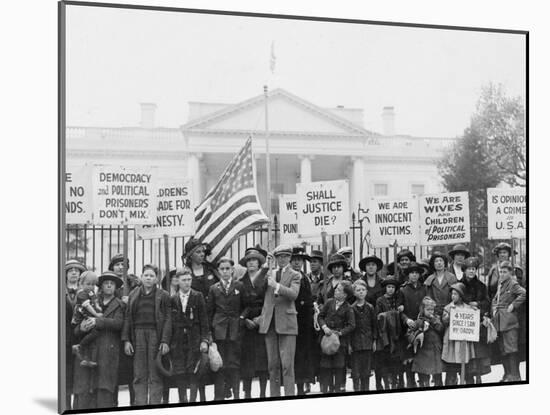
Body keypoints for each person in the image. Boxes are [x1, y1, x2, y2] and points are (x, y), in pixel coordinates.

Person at [72, 272, 125, 409]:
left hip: (107, 353)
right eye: (106, 283)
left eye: (112, 283)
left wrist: (98, 321)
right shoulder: (90, 301)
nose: (108, 285)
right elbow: (76, 328)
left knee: (104, 391)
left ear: (116, 288)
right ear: (100, 286)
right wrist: (81, 328)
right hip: (88, 353)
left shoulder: (119, 305)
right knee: (84, 392)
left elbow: (119, 324)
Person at [122, 264, 172, 405]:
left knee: (155, 373)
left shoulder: (163, 295)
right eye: (146, 275)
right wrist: (126, 340)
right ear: (142, 277)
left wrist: (165, 341)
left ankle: (154, 404)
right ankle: (140, 404)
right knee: (139, 373)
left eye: (152, 276)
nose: (148, 278)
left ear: (156, 279)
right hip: (137, 335)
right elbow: (127, 317)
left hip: (155, 334)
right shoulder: (133, 294)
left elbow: (168, 319)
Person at [255, 244, 301, 397]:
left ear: (289, 258)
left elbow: (294, 294)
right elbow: (255, 285)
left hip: (287, 323)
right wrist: (264, 268)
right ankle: (274, 396)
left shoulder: (295, 274)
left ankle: (289, 395)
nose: (282, 259)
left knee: (287, 365)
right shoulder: (269, 273)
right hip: (270, 323)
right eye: (279, 256)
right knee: (272, 365)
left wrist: (277, 286)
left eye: (285, 256)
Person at [207, 257, 247, 400]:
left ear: (232, 270)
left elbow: (248, 305)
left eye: (227, 269)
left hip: (235, 330)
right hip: (219, 331)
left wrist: (241, 319)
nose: (225, 272)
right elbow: (209, 312)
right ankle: (219, 396)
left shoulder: (239, 286)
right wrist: (210, 332)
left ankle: (236, 395)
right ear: (218, 271)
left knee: (234, 364)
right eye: (222, 269)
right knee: (219, 364)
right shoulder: (213, 288)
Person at [169, 268, 210, 403]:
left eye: (189, 280)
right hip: (178, 341)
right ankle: (183, 400)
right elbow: (170, 322)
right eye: (183, 280)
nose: (187, 283)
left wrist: (204, 340)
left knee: (194, 370)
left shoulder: (198, 296)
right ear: (177, 281)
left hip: (194, 339)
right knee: (180, 371)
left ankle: (193, 400)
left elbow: (204, 320)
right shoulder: (173, 299)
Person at [238, 246, 269, 399]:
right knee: (247, 360)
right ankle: (247, 393)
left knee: (263, 358)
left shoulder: (265, 279)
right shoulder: (240, 282)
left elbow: (269, 301)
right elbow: (238, 305)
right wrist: (245, 321)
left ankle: (263, 392)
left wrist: (262, 318)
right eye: (248, 260)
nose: (251, 263)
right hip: (247, 323)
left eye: (254, 260)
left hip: (262, 321)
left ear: (259, 263)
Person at [491, 261, 526, 382]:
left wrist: (513, 305)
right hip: (500, 322)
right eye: (501, 271)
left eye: (505, 272)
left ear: (510, 273)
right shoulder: (501, 284)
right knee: (503, 350)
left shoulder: (513, 283)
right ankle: (507, 375)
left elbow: (524, 293)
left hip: (510, 323)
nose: (502, 274)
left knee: (511, 350)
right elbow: (495, 299)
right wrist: (494, 308)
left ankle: (515, 376)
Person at [318, 280, 356, 393]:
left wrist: (340, 333)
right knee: (326, 367)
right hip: (326, 341)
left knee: (339, 367)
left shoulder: (348, 308)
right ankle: (326, 389)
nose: (336, 291)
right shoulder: (329, 302)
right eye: (336, 288)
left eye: (339, 290)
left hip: (340, 343)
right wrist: (324, 327)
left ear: (345, 295)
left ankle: (338, 388)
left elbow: (352, 325)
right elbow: (320, 316)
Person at [108, 253, 134, 406]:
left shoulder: (132, 283)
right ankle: (113, 404)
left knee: (131, 370)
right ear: (112, 267)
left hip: (130, 331)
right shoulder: (108, 283)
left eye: (123, 265)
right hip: (113, 333)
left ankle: (134, 403)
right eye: (117, 264)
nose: (120, 267)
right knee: (114, 372)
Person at [461, 257, 491, 384]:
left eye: (473, 269)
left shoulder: (481, 286)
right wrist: (467, 306)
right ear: (464, 271)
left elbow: (487, 302)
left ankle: (479, 375)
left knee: (479, 351)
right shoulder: (459, 285)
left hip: (477, 322)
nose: (471, 272)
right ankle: (468, 377)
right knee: (466, 350)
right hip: (465, 322)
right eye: (469, 269)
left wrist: (477, 304)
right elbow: (455, 299)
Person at [290, 246, 315, 395]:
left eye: (299, 260)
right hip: (293, 317)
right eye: (294, 260)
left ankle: (305, 382)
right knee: (296, 353)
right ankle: (297, 385)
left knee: (305, 353)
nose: (297, 263)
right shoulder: (289, 277)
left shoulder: (305, 277)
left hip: (305, 321)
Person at [358, 255, 385, 389]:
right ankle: (364, 385)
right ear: (365, 267)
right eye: (368, 265)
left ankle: (380, 382)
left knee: (380, 354)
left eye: (373, 265)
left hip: (379, 321)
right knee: (365, 356)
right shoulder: (360, 282)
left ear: (377, 267)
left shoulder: (382, 282)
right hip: (364, 321)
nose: (371, 267)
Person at [399, 262, 427, 388]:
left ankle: (423, 381)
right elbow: (399, 311)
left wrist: (423, 320)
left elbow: (428, 306)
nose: (414, 275)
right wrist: (406, 320)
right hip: (408, 328)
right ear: (408, 275)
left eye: (416, 273)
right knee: (409, 356)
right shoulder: (403, 290)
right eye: (412, 273)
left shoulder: (424, 289)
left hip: (421, 326)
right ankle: (411, 382)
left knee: (422, 355)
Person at [441, 283, 476, 385]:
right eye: (452, 294)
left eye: (455, 294)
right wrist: (449, 315)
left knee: (466, 371)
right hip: (452, 342)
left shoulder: (468, 308)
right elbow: (444, 321)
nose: (453, 296)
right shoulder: (448, 308)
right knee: (451, 371)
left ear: (461, 296)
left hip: (464, 343)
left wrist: (474, 312)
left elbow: (472, 322)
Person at [374, 276, 404, 389]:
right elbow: (378, 317)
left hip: (396, 332)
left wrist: (399, 311)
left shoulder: (397, 299)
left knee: (395, 360)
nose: (390, 289)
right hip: (385, 333)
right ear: (385, 288)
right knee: (383, 360)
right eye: (388, 287)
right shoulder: (380, 300)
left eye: (393, 287)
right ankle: (384, 382)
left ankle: (395, 382)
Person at [65, 259, 86, 410]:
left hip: (81, 338)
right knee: (65, 376)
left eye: (77, 270)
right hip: (63, 339)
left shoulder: (85, 292)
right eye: (70, 270)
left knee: (80, 375)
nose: (74, 272)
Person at [408, 297, 444, 387]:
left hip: (435, 350)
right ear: (422, 309)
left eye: (432, 310)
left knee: (437, 373)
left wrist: (433, 320)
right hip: (423, 352)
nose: (430, 312)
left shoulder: (436, 319)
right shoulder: (419, 321)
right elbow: (409, 334)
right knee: (423, 374)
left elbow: (440, 328)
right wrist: (417, 336)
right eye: (428, 309)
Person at [71, 271, 104, 367]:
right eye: (88, 284)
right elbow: (87, 306)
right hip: (81, 316)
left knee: (91, 336)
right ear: (81, 283)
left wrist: (98, 306)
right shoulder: (81, 293)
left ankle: (86, 359)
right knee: (94, 332)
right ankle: (79, 346)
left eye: (93, 284)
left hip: (88, 315)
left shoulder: (91, 292)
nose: (90, 286)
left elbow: (95, 301)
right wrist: (96, 314)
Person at [350, 280, 377, 391]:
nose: (361, 292)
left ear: (366, 292)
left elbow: (374, 325)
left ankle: (365, 390)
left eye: (363, 290)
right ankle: (357, 389)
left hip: (367, 343)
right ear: (354, 293)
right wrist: (349, 344)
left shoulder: (370, 308)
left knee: (366, 371)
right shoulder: (351, 308)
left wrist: (374, 340)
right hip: (355, 344)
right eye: (358, 290)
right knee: (356, 372)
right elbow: (350, 327)